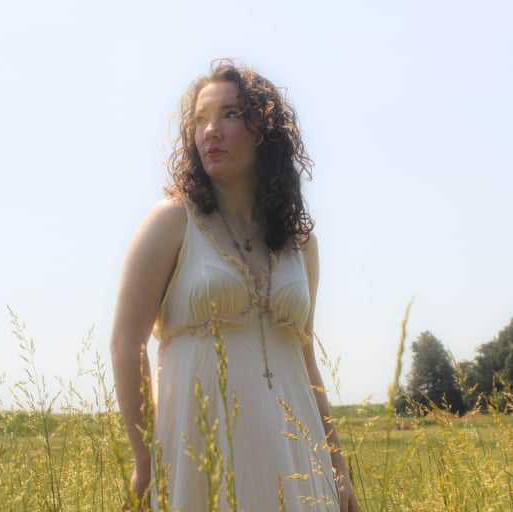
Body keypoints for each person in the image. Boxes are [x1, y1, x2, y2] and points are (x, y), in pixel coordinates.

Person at [110, 60, 360, 512]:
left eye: (229, 115)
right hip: (200, 455)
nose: (211, 131)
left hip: (298, 458)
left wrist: (339, 468)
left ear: (265, 131)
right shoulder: (172, 221)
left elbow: (306, 360)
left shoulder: (300, 244)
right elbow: (125, 346)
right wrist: (145, 460)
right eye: (200, 120)